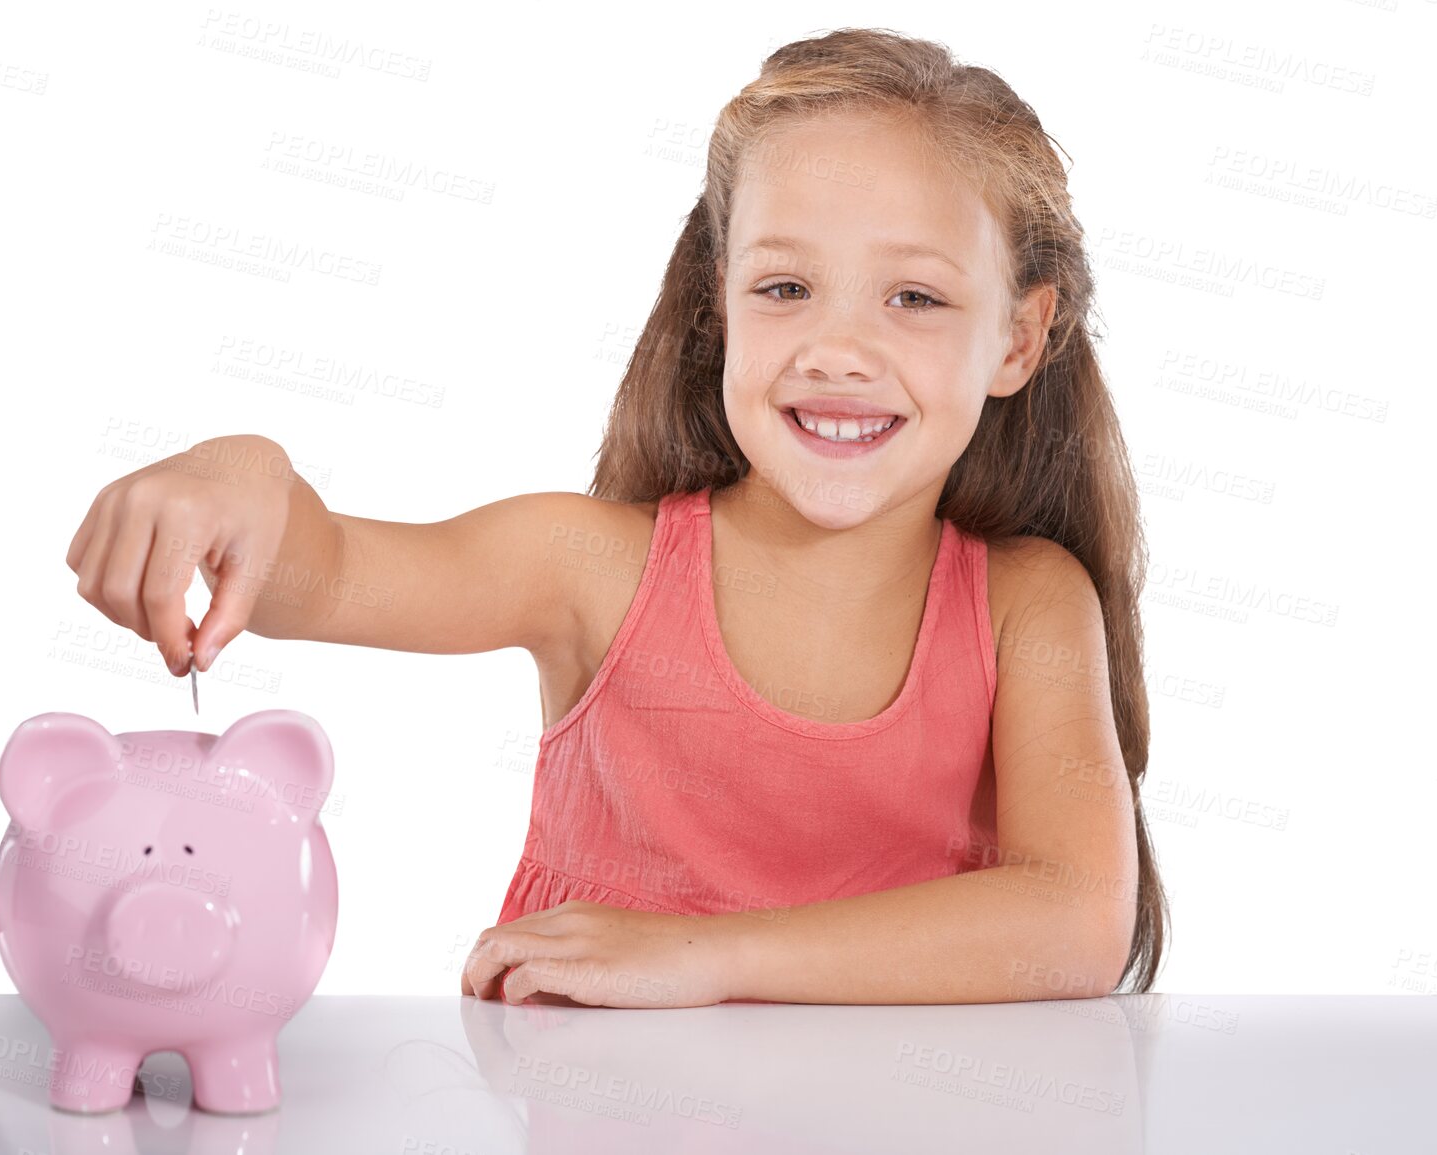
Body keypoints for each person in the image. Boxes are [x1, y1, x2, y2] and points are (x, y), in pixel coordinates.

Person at [66, 27, 1166, 1008]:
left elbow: (1069, 924)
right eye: (784, 289)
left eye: (914, 298)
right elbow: (328, 569)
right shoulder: (588, 570)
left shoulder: (1027, 606)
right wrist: (241, 475)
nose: (838, 350)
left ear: (1019, 339)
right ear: (716, 305)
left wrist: (706, 958)